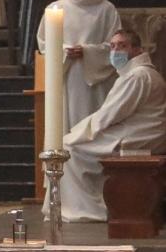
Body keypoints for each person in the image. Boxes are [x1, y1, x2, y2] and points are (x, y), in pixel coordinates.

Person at [62, 28, 166, 222]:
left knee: (69, 149)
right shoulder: (136, 73)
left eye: (122, 46)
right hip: (140, 132)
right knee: (73, 146)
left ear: (137, 49)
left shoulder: (138, 76)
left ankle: (91, 209)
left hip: (139, 137)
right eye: (113, 46)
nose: (116, 51)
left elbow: (110, 114)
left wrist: (75, 133)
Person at [41, 0, 123, 136]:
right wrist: (63, 50)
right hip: (68, 76)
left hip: (95, 81)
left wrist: (87, 51)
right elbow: (43, 43)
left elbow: (116, 46)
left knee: (93, 130)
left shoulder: (106, 9)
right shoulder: (55, 9)